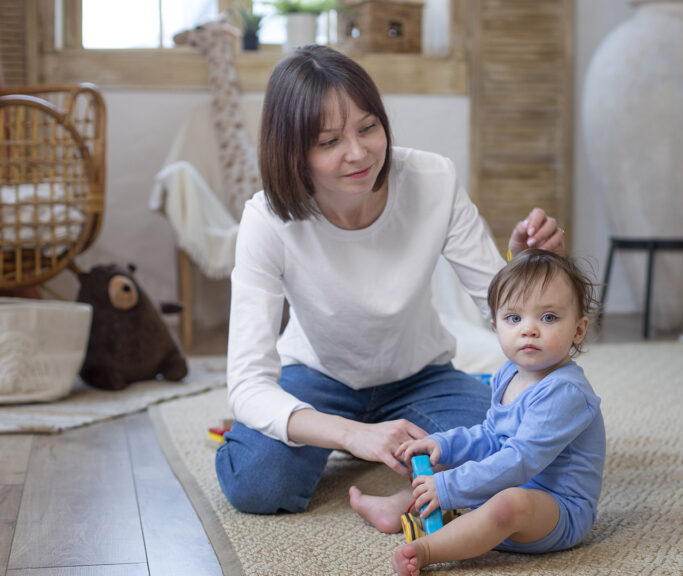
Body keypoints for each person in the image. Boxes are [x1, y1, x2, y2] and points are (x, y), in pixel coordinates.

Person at [215, 44, 566, 515]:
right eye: (328, 141)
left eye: (368, 127)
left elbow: (497, 303)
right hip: (316, 377)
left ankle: (350, 428)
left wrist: (525, 268)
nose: (358, 153)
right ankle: (285, 429)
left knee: (517, 451)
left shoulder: (432, 179)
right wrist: (349, 434)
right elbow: (248, 381)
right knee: (258, 483)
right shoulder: (266, 219)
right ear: (292, 151)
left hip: (422, 377)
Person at [351, 249, 606, 576]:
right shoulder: (507, 374)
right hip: (505, 487)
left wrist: (448, 487)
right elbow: (489, 436)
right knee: (443, 460)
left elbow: (518, 460)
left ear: (579, 330)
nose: (529, 329)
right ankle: (400, 508)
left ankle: (429, 549)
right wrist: (444, 444)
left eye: (549, 318)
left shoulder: (565, 392)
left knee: (508, 503)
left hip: (556, 511)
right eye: (514, 318)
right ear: (495, 325)